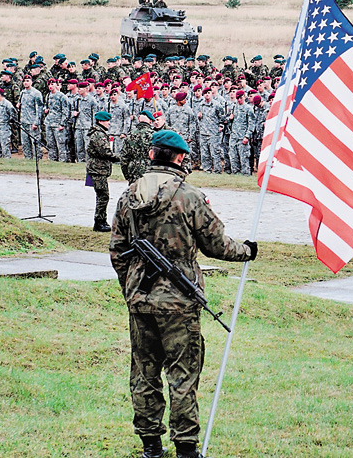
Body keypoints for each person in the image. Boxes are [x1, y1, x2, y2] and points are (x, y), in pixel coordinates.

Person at [109, 130, 256, 458]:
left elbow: (117, 250)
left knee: (144, 371)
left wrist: (131, 289)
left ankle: (150, 445)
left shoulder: (128, 196)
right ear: (179, 159)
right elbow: (216, 245)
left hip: (140, 301)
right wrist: (247, 250)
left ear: (150, 155)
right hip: (179, 302)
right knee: (183, 372)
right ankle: (186, 448)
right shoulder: (189, 197)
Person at [87, 111, 120, 231]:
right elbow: (105, 152)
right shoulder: (98, 135)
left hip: (98, 168)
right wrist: (120, 157)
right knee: (103, 196)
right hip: (98, 169)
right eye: (107, 121)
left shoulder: (99, 133)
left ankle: (101, 220)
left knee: (102, 195)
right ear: (101, 121)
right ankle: (99, 222)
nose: (109, 123)